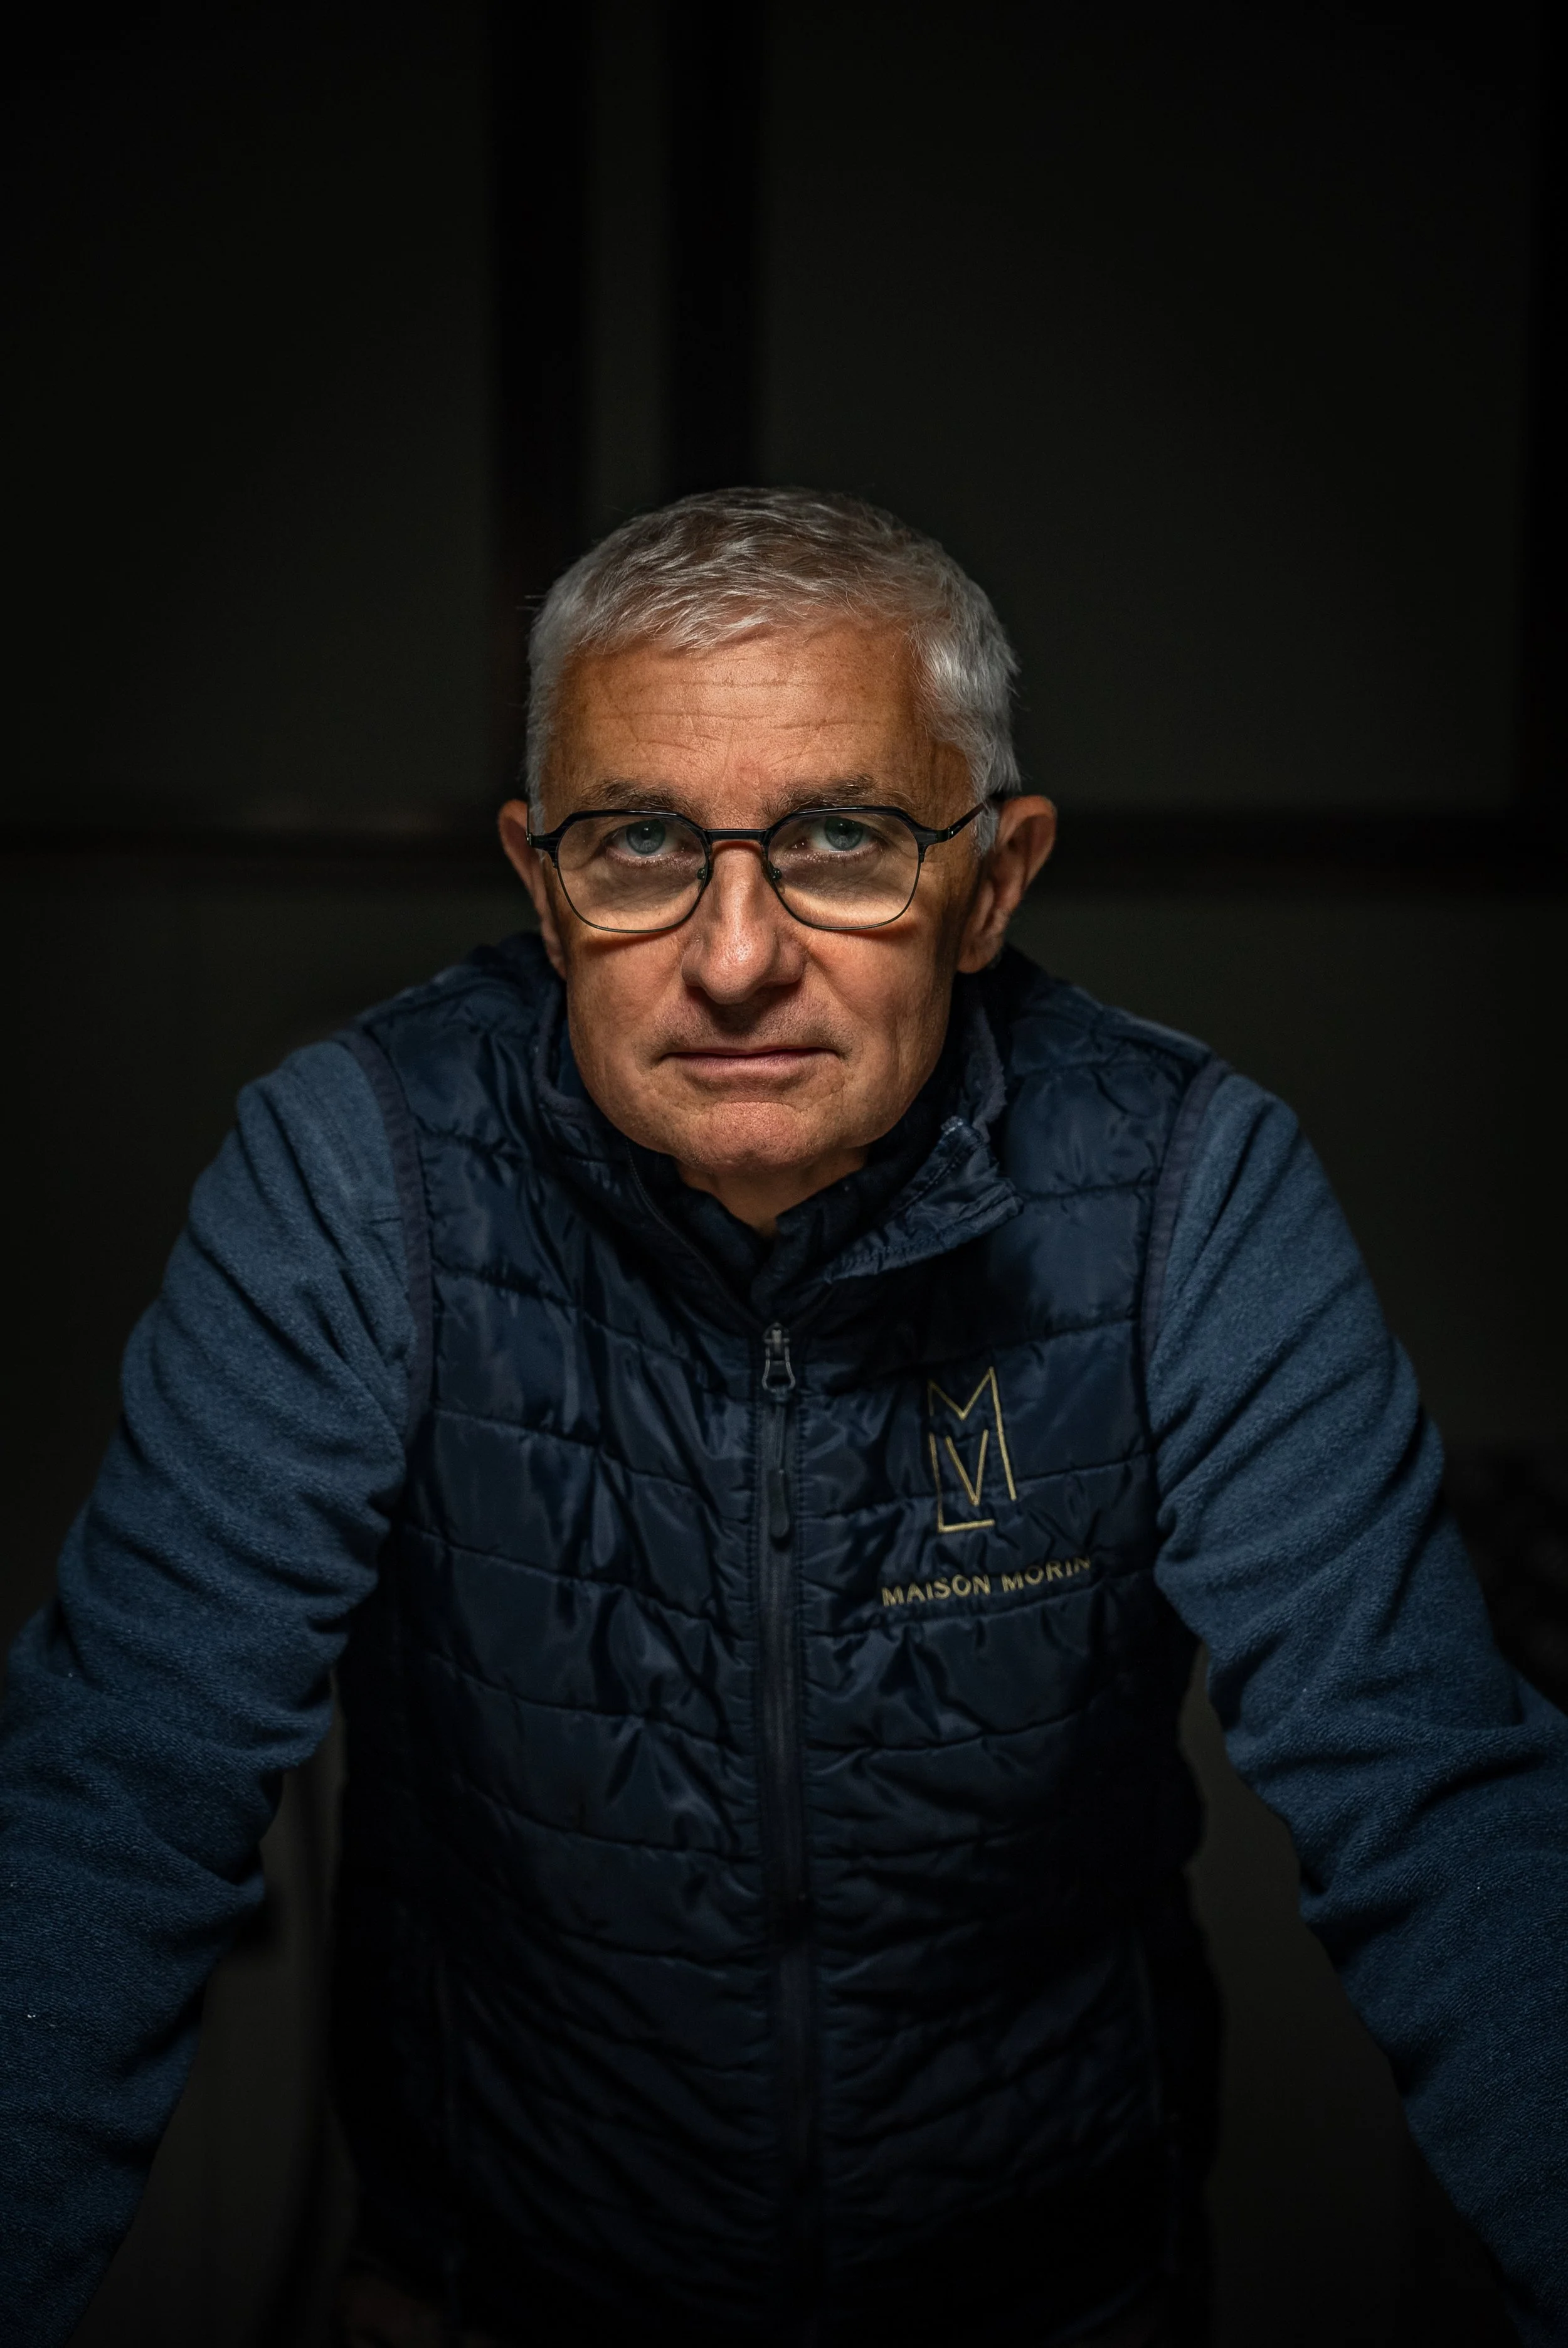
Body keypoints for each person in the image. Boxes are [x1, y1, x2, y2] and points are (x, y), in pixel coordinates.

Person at [1, 490, 1564, 2348]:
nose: (734, 955)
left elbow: (1433, 1795)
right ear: (536, 876)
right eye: (641, 841)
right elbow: (116, 1788)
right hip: (496, 2303)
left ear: (991, 880)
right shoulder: (356, 1174)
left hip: (1058, 2310)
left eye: (841, 837)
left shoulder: (1182, 1190)